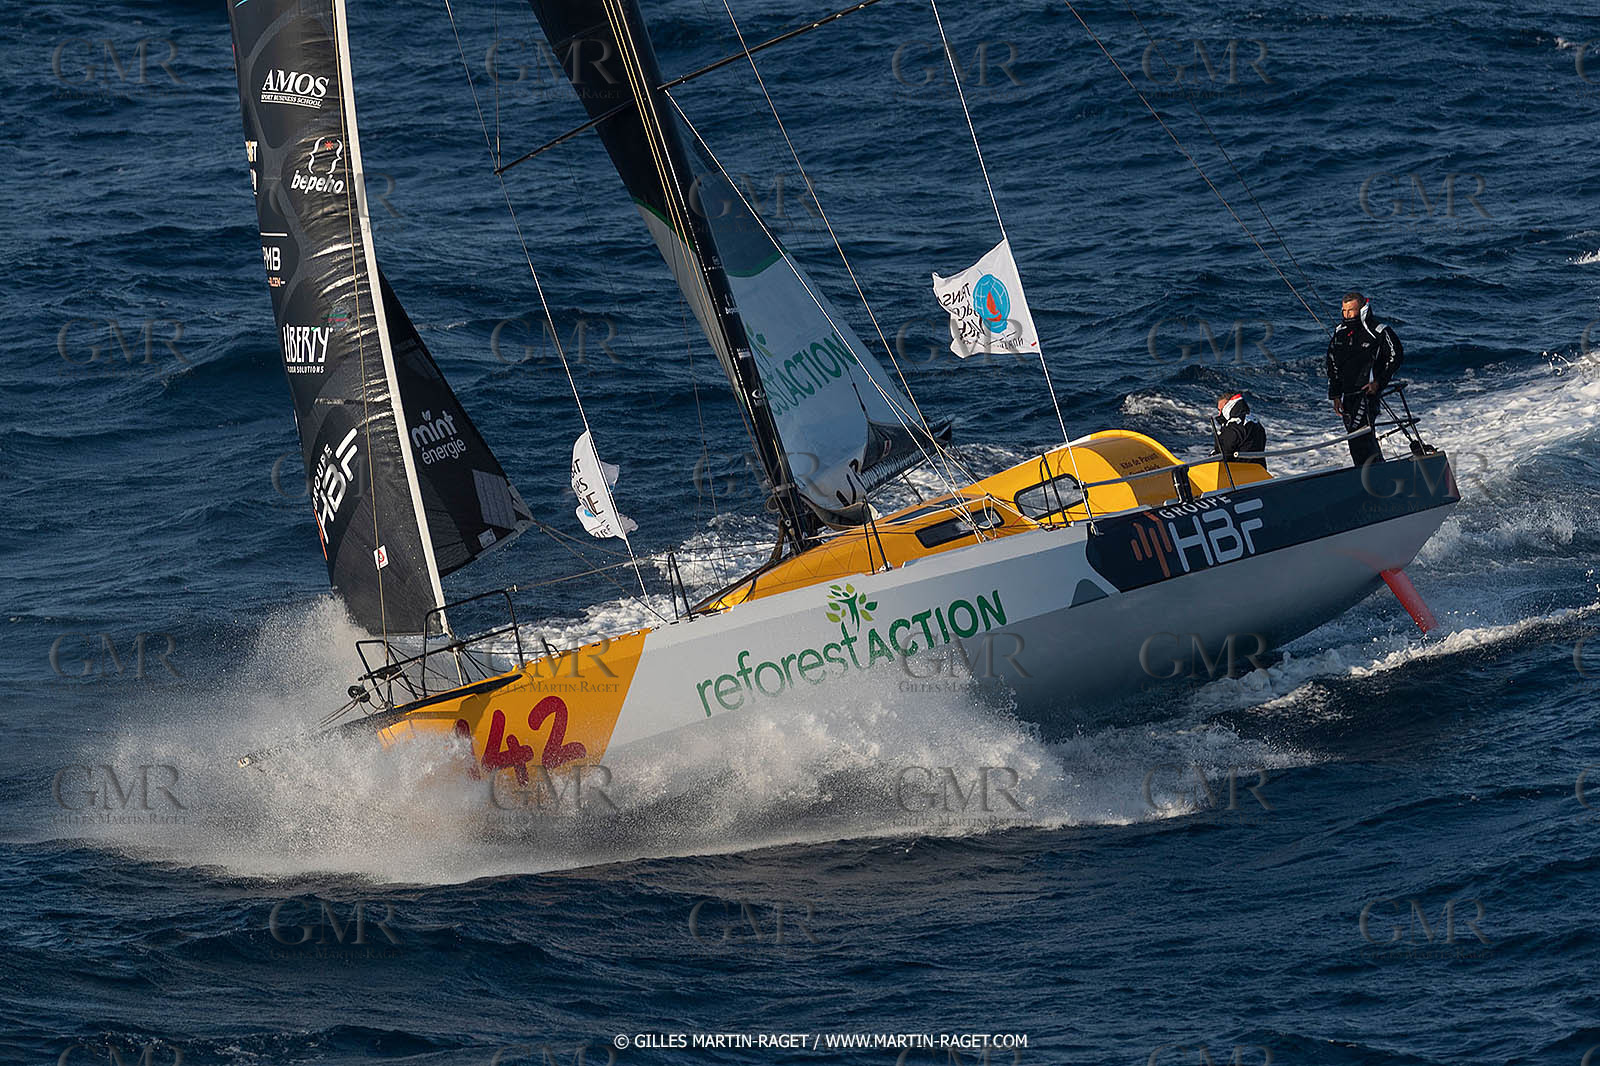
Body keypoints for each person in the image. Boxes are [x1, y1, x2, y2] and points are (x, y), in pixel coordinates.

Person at [1325, 291, 1403, 466]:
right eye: (1344, 311)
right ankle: (1374, 470)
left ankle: (1372, 474)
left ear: (1362, 309)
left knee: (1359, 436)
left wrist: (1379, 383)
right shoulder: (1339, 332)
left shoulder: (1379, 331)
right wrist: (1335, 395)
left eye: (1351, 311)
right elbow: (1332, 365)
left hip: (1366, 393)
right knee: (1356, 440)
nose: (1347, 315)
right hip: (1346, 396)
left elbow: (1395, 357)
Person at [1213, 392, 1266, 466]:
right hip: (1259, 470)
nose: (1219, 414)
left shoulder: (1234, 425)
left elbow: (1223, 453)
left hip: (1237, 472)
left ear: (1228, 406)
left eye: (1220, 410)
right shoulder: (1255, 421)